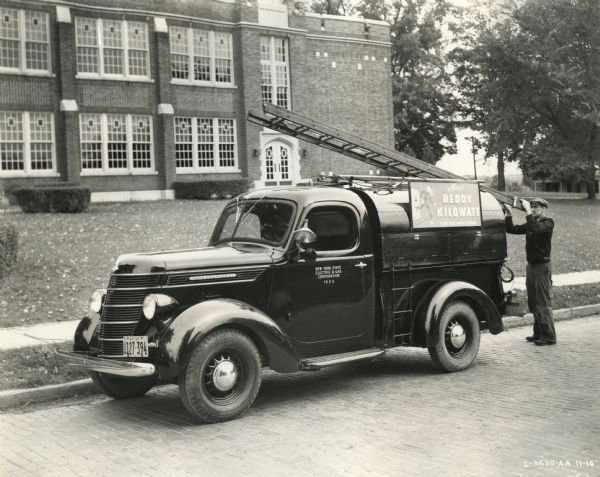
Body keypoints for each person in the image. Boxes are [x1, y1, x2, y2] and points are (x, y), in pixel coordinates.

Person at [503, 198, 556, 346]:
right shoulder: (532, 223)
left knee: (543, 302)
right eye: (531, 207)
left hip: (542, 267)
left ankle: (549, 335)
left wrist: (526, 211)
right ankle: (538, 333)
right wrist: (508, 214)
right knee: (533, 302)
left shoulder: (548, 223)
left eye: (536, 207)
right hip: (532, 266)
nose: (533, 210)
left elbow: (536, 228)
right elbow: (512, 229)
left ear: (544, 209)